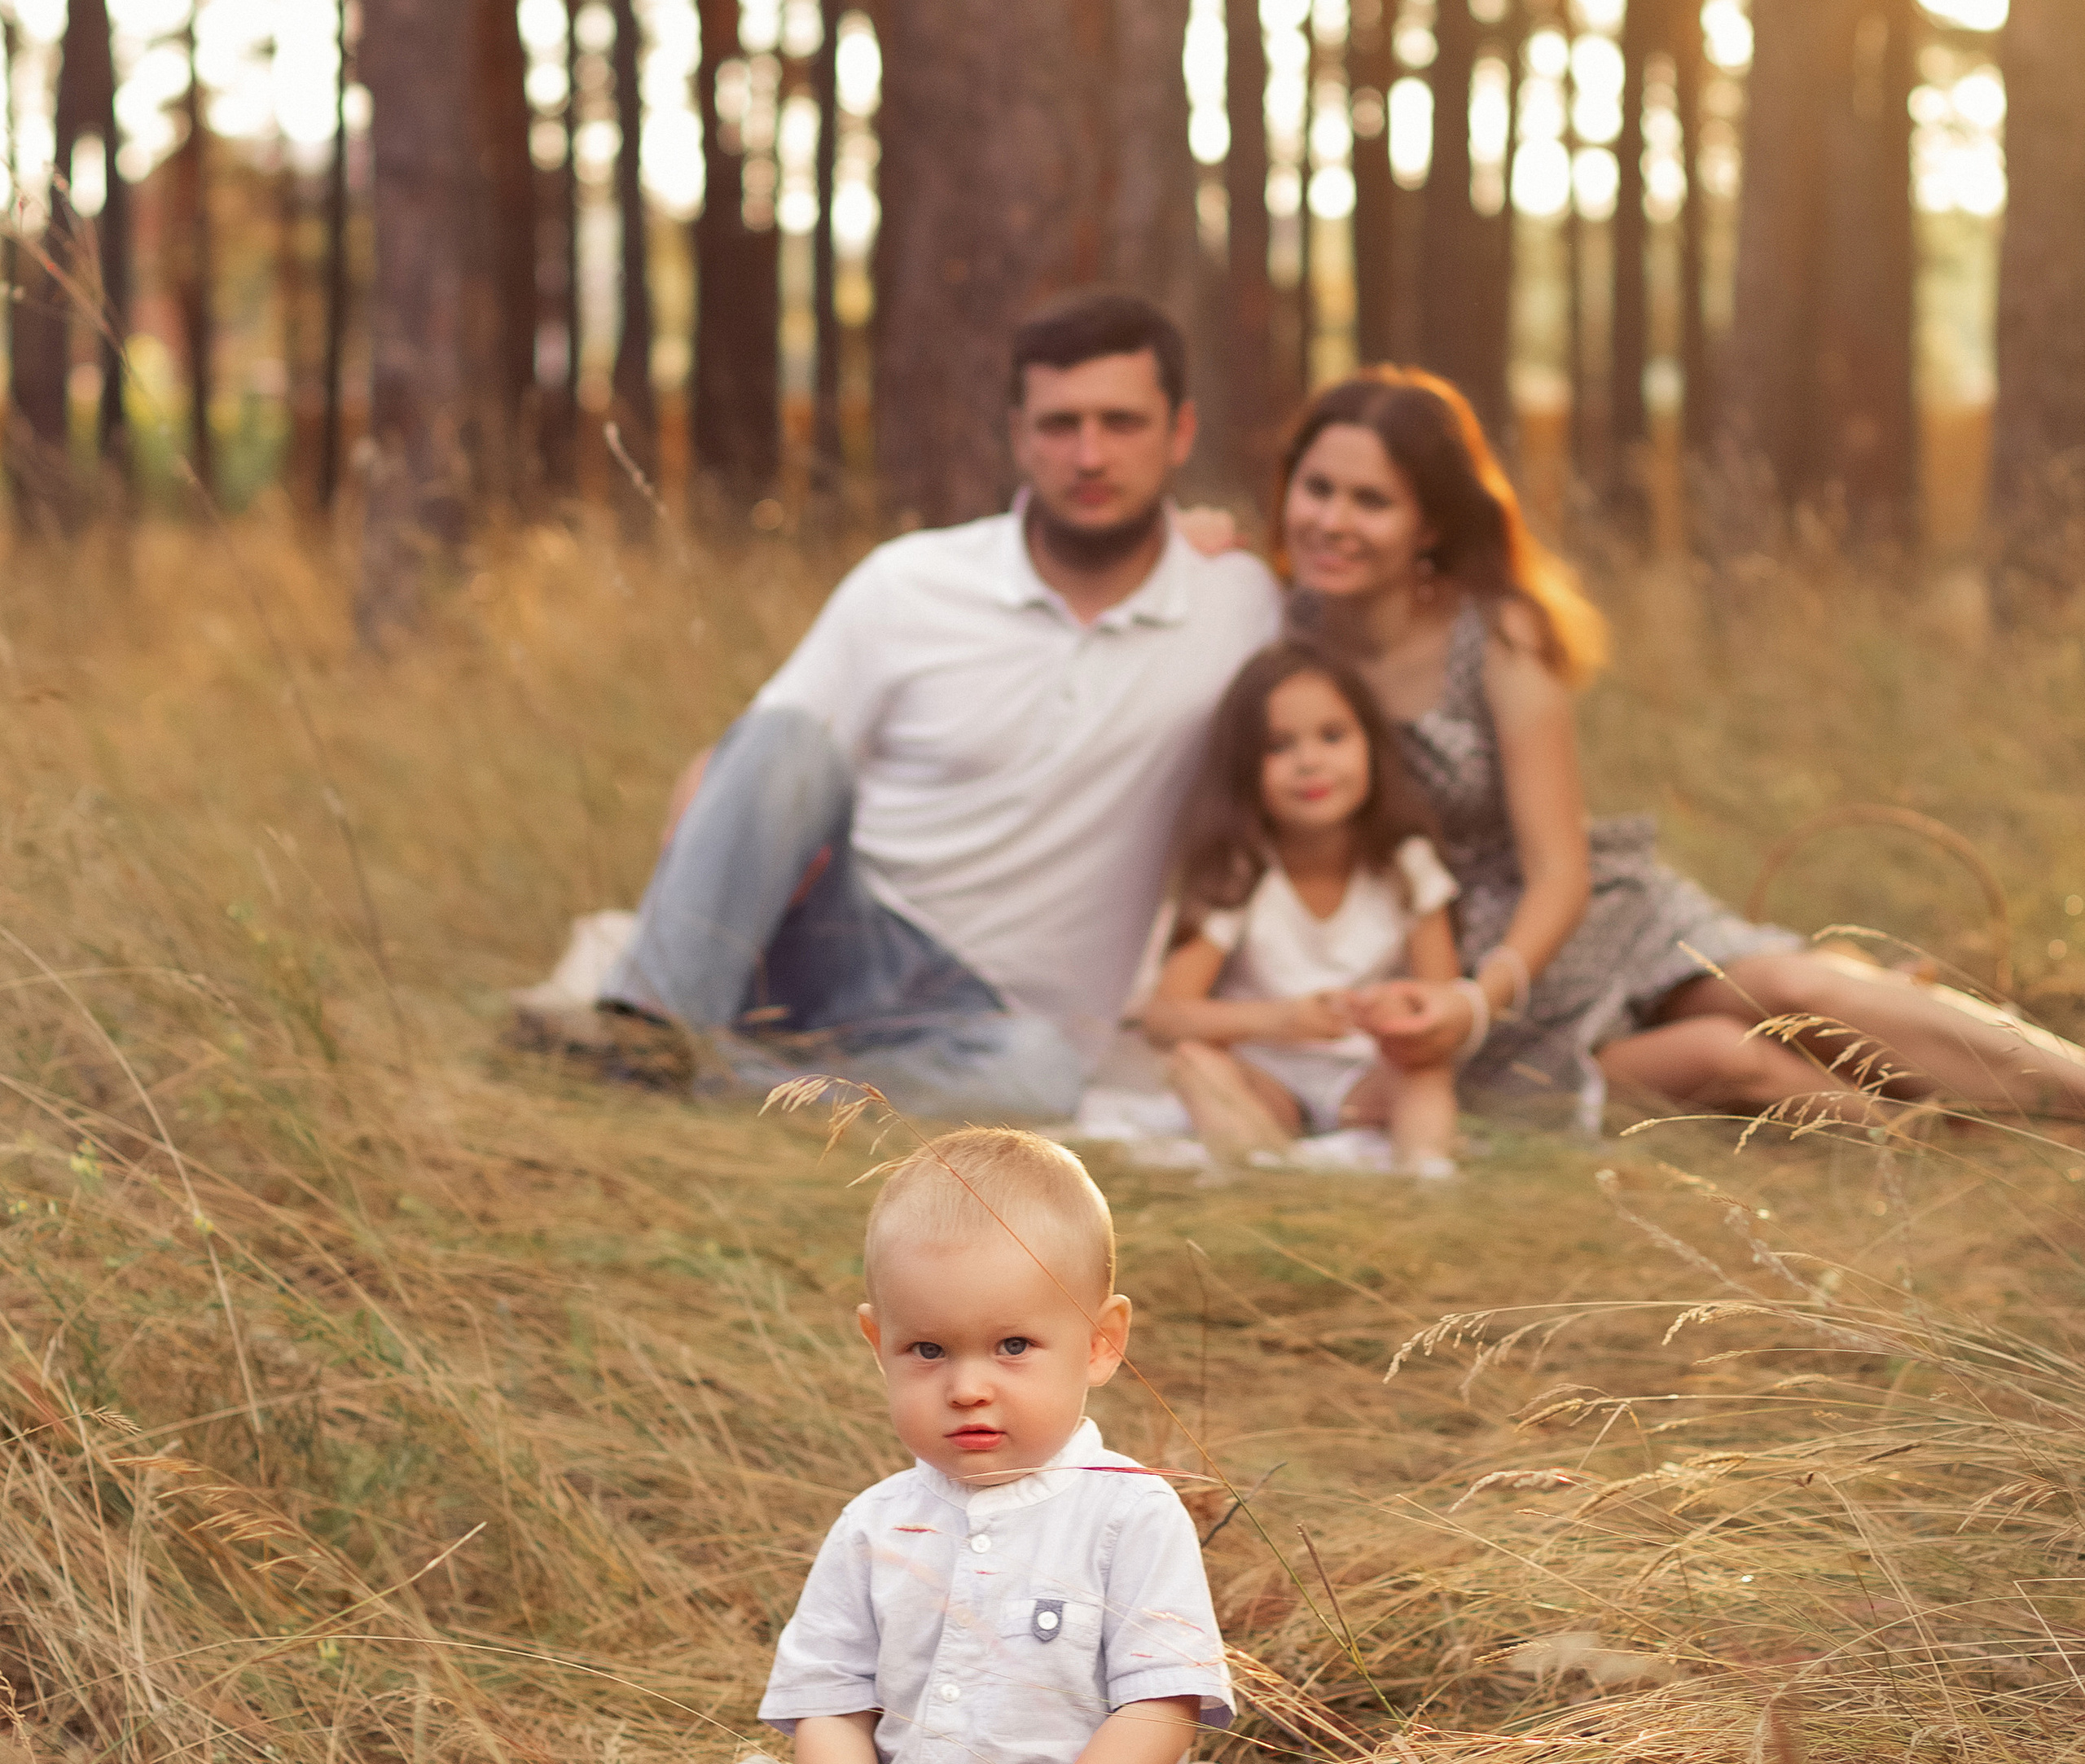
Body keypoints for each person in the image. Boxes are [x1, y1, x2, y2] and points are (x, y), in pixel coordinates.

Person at [1245, 367, 2085, 1131]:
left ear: (1428, 520)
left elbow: (1558, 870)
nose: (1331, 521)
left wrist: (1479, 999)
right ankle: (1954, 1139)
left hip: (1562, 933)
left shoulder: (1496, 634)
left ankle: (2066, 1089)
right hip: (1419, 965)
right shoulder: (1275, 628)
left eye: (1370, 501)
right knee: (1727, 1064)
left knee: (1793, 990)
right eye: (1316, 489)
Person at [520, 292, 1282, 1121]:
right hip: (841, 937)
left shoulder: (1238, 607)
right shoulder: (911, 582)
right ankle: (652, 1034)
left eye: (1121, 423)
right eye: (1060, 425)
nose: (1089, 456)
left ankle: (681, 1072)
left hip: (997, 1023)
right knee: (789, 739)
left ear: (1180, 433)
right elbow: (753, 763)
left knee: (1037, 1082)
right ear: (1020, 436)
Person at [665, 1130, 1264, 1764]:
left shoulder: (1127, 1512)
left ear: (1100, 1342)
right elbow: (831, 1704)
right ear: (880, 1343)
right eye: (929, 1350)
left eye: (1013, 1346)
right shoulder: (875, 1525)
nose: (968, 1385)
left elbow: (1159, 1710)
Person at [1137, 642, 1463, 1174]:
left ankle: (1428, 1170)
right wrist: (1283, 1019)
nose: (1309, 762)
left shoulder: (1406, 864)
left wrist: (1395, 1014)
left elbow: (1441, 1003)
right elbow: (1166, 1017)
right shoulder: (1239, 869)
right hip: (1267, 1077)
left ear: (1371, 746)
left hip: (1364, 1079)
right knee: (1194, 1064)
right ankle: (1264, 1163)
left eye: (1332, 737)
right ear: (1244, 767)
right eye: (1278, 747)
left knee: (1427, 1070)